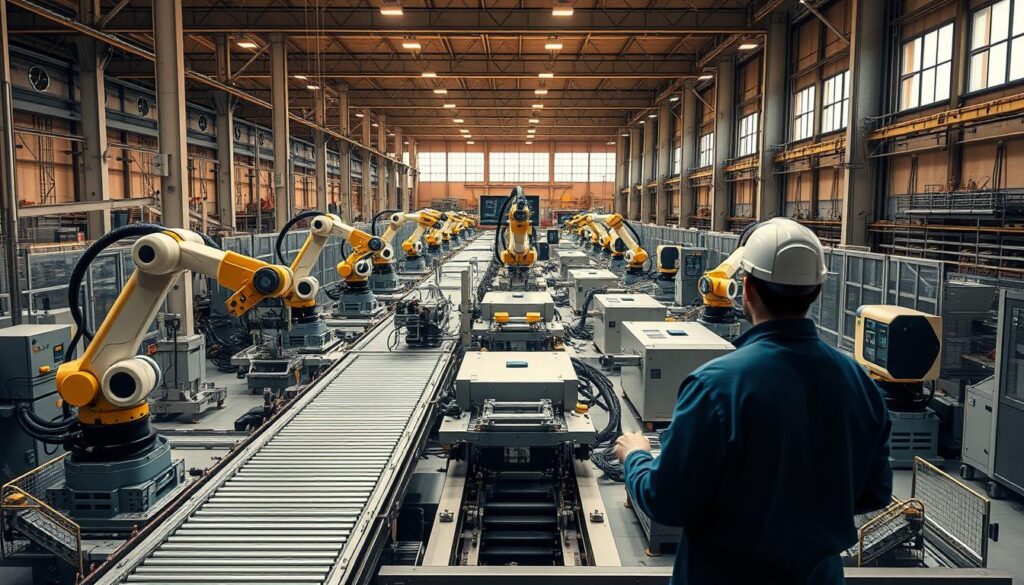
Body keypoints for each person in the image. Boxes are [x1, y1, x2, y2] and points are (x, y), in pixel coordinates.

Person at [614, 218, 893, 585]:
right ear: (817, 289)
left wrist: (635, 456)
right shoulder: (859, 383)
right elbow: (875, 492)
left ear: (745, 288)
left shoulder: (715, 386)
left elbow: (665, 501)